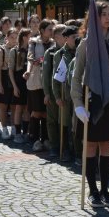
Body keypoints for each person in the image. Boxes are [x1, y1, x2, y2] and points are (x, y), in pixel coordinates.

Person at [71, 0, 109, 208]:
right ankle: (93, 191)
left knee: (106, 145)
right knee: (90, 145)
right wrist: (78, 104)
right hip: (90, 96)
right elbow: (76, 76)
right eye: (103, 14)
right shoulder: (86, 43)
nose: (107, 18)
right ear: (94, 17)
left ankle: (105, 190)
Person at [24, 19, 54, 152]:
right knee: (36, 111)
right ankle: (35, 139)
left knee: (46, 112)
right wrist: (28, 71)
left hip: (49, 82)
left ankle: (46, 139)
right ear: (42, 30)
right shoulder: (34, 42)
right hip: (36, 81)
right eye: (49, 29)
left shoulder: (54, 43)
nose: (52, 32)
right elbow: (30, 58)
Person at [52, 25, 78, 162]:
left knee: (76, 124)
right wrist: (57, 96)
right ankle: (66, 149)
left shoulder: (81, 51)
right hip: (65, 94)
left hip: (78, 94)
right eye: (74, 37)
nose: (76, 39)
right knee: (65, 123)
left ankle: (76, 149)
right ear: (66, 39)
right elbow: (55, 77)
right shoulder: (60, 54)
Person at [43, 24, 67, 158]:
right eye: (64, 34)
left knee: (64, 121)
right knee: (52, 121)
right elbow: (46, 75)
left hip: (65, 92)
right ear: (57, 37)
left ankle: (65, 146)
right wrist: (46, 93)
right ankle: (54, 145)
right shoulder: (50, 52)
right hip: (53, 92)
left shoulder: (70, 51)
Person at [9, 28, 31, 143]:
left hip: (29, 81)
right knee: (18, 108)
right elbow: (11, 71)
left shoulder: (32, 50)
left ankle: (25, 132)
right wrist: (14, 87)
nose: (31, 38)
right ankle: (17, 133)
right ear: (24, 37)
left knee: (27, 107)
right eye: (29, 36)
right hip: (18, 82)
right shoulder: (14, 51)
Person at [0, 28, 18, 140]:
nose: (14, 40)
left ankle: (14, 126)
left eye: (16, 37)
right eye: (12, 37)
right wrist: (0, 85)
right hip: (5, 78)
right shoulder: (2, 50)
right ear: (7, 38)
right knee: (4, 106)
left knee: (14, 105)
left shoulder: (18, 49)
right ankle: (4, 128)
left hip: (15, 77)